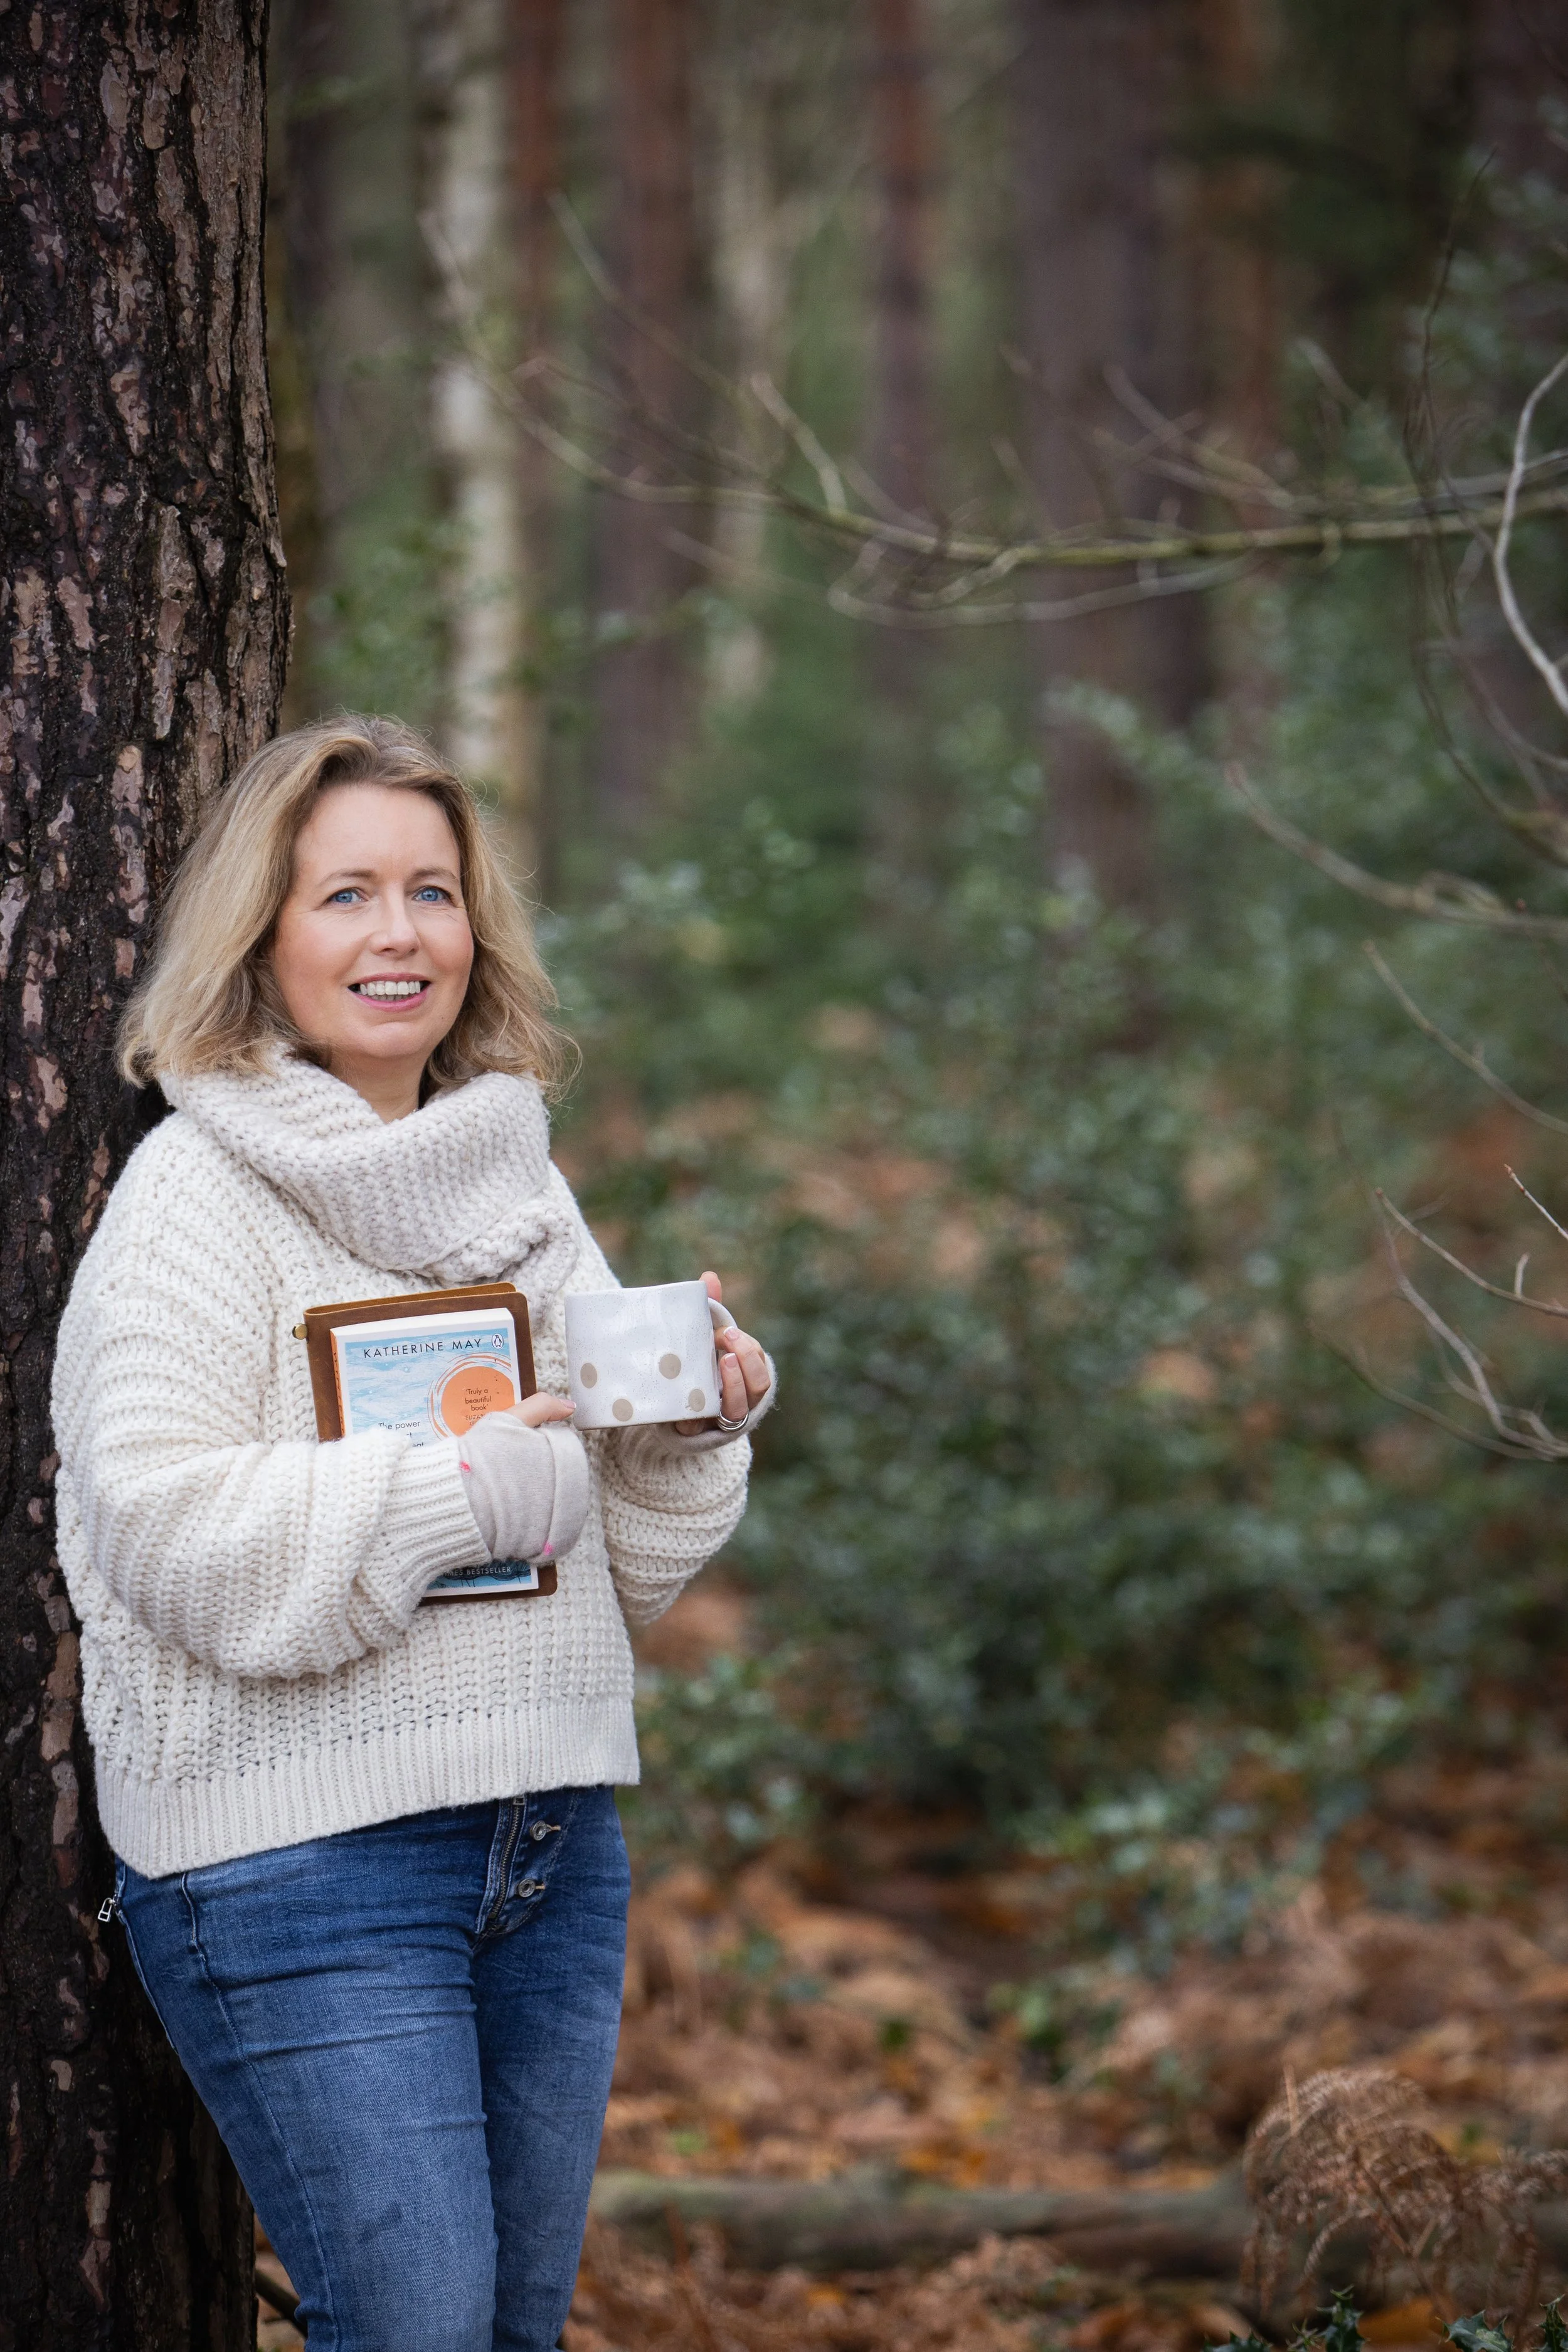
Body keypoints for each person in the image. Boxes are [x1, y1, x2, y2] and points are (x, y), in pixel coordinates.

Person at [50, 716, 774, 2352]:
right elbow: (157, 1522)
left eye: (433, 891)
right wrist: (450, 1495)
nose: (399, 935)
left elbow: (615, 1559)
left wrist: (682, 1421)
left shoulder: (515, 1183)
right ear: (261, 937)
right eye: (347, 894)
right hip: (301, 1860)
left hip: (548, 1839)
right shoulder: (196, 1196)